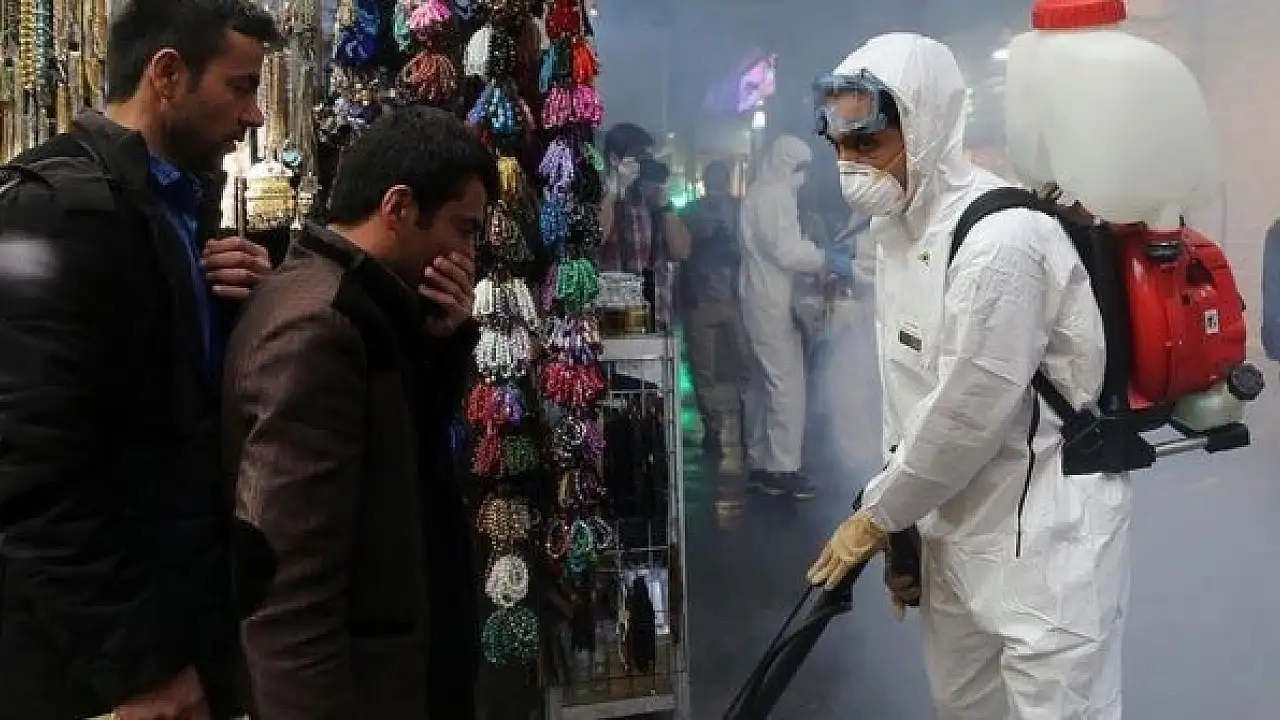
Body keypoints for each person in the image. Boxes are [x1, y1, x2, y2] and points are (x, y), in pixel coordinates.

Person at [805, 33, 1128, 719]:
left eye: (868, 145)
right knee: (963, 708)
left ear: (923, 128)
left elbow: (968, 411)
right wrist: (905, 532)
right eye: (839, 147)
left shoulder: (1001, 243)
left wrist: (877, 516)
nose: (849, 166)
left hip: (1044, 543)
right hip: (954, 531)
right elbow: (908, 395)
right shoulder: (899, 231)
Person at [0, 1, 279, 718]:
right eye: (241, 87)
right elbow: (29, 473)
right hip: (92, 675)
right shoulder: (50, 211)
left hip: (175, 633)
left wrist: (244, 309)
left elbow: (166, 412)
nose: (254, 115)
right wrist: (141, 669)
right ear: (167, 74)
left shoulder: (172, 208)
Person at [225, 106, 493, 720]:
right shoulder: (321, 326)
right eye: (462, 229)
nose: (467, 253)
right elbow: (288, 584)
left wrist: (443, 345)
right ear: (398, 208)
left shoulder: (365, 308)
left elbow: (401, 460)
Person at [739, 134, 851, 500]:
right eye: (799, 167)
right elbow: (786, 251)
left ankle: (760, 460)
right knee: (786, 383)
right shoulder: (775, 197)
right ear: (784, 164)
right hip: (771, 300)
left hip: (758, 296)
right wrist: (824, 258)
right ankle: (783, 468)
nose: (803, 175)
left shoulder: (759, 193)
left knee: (762, 382)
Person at [679, 160, 748, 474]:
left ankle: (745, 424)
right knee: (704, 371)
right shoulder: (691, 213)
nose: (717, 186)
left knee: (744, 366)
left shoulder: (741, 210)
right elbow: (681, 252)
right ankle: (713, 428)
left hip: (734, 299)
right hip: (701, 301)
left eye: (721, 179)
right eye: (713, 180)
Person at [599, 122, 692, 329]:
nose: (643, 165)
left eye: (647, 158)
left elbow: (682, 251)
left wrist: (665, 204)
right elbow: (594, 239)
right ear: (614, 159)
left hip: (656, 319)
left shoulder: (653, 201)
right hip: (614, 321)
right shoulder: (599, 197)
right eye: (638, 158)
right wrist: (615, 191)